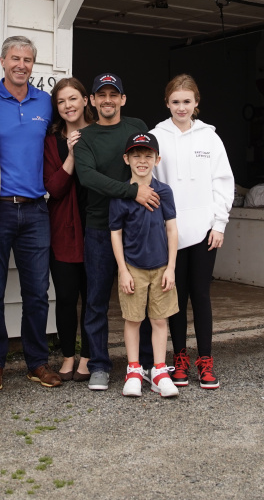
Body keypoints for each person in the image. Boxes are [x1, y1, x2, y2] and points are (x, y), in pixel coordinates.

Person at [0, 36, 59, 391]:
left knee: (37, 292)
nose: (21, 64)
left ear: (33, 65)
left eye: (27, 59)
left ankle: (36, 362)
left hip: (37, 209)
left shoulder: (46, 102)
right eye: (14, 58)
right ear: (2, 61)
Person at [73, 72, 157, 391]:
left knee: (142, 297)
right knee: (96, 299)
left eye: (113, 94)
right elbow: (88, 178)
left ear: (122, 99)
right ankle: (98, 365)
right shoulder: (85, 137)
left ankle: (146, 363)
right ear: (92, 101)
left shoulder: (137, 128)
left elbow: (149, 163)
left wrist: (138, 194)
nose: (107, 99)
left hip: (136, 227)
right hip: (98, 228)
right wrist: (131, 190)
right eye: (101, 95)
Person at [150, 74, 234, 389]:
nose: (181, 107)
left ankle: (206, 360)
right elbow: (149, 182)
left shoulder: (210, 138)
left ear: (196, 103)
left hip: (204, 232)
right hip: (169, 232)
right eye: (175, 102)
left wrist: (219, 224)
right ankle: (180, 359)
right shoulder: (155, 136)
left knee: (200, 296)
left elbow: (222, 182)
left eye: (187, 101)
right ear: (167, 103)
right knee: (175, 298)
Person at [110, 132, 179, 398]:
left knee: (160, 319)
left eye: (148, 155)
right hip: (133, 268)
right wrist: (123, 270)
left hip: (161, 267)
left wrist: (171, 267)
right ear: (126, 159)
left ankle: (159, 370)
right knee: (133, 319)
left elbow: (172, 230)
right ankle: (134, 369)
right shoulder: (121, 194)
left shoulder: (164, 191)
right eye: (136, 155)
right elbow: (115, 233)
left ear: (157, 159)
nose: (142, 160)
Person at [43, 78, 95, 382]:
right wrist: (72, 155)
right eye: (61, 102)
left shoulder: (100, 133)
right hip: (63, 227)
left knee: (92, 297)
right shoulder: (52, 142)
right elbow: (55, 188)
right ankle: (67, 355)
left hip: (96, 226)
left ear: (85, 100)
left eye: (73, 99)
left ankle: (88, 355)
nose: (68, 106)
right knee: (65, 297)